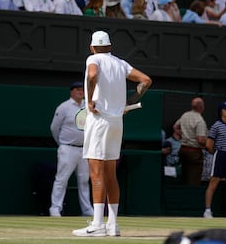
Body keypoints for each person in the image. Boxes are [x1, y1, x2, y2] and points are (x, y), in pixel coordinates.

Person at [73, 31, 151, 237]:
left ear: (92, 47)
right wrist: (130, 101)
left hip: (99, 121)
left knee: (96, 173)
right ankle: (112, 225)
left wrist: (89, 101)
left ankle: (98, 224)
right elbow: (145, 80)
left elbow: (91, 75)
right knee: (110, 174)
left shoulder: (93, 59)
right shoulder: (120, 63)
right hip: (117, 123)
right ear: (109, 46)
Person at [49, 82, 94, 218]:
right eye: (78, 90)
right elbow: (54, 128)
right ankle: (55, 208)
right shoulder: (64, 107)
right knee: (62, 179)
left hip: (85, 149)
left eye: (82, 90)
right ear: (72, 92)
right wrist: (63, 144)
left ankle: (87, 210)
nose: (81, 92)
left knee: (84, 180)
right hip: (67, 149)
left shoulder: (89, 106)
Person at [176, 97, 208, 185]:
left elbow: (175, 126)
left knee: (184, 177)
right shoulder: (200, 120)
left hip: (182, 150)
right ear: (202, 107)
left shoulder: (185, 115)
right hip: (194, 153)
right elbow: (200, 140)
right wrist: (210, 144)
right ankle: (190, 196)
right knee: (194, 180)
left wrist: (182, 135)